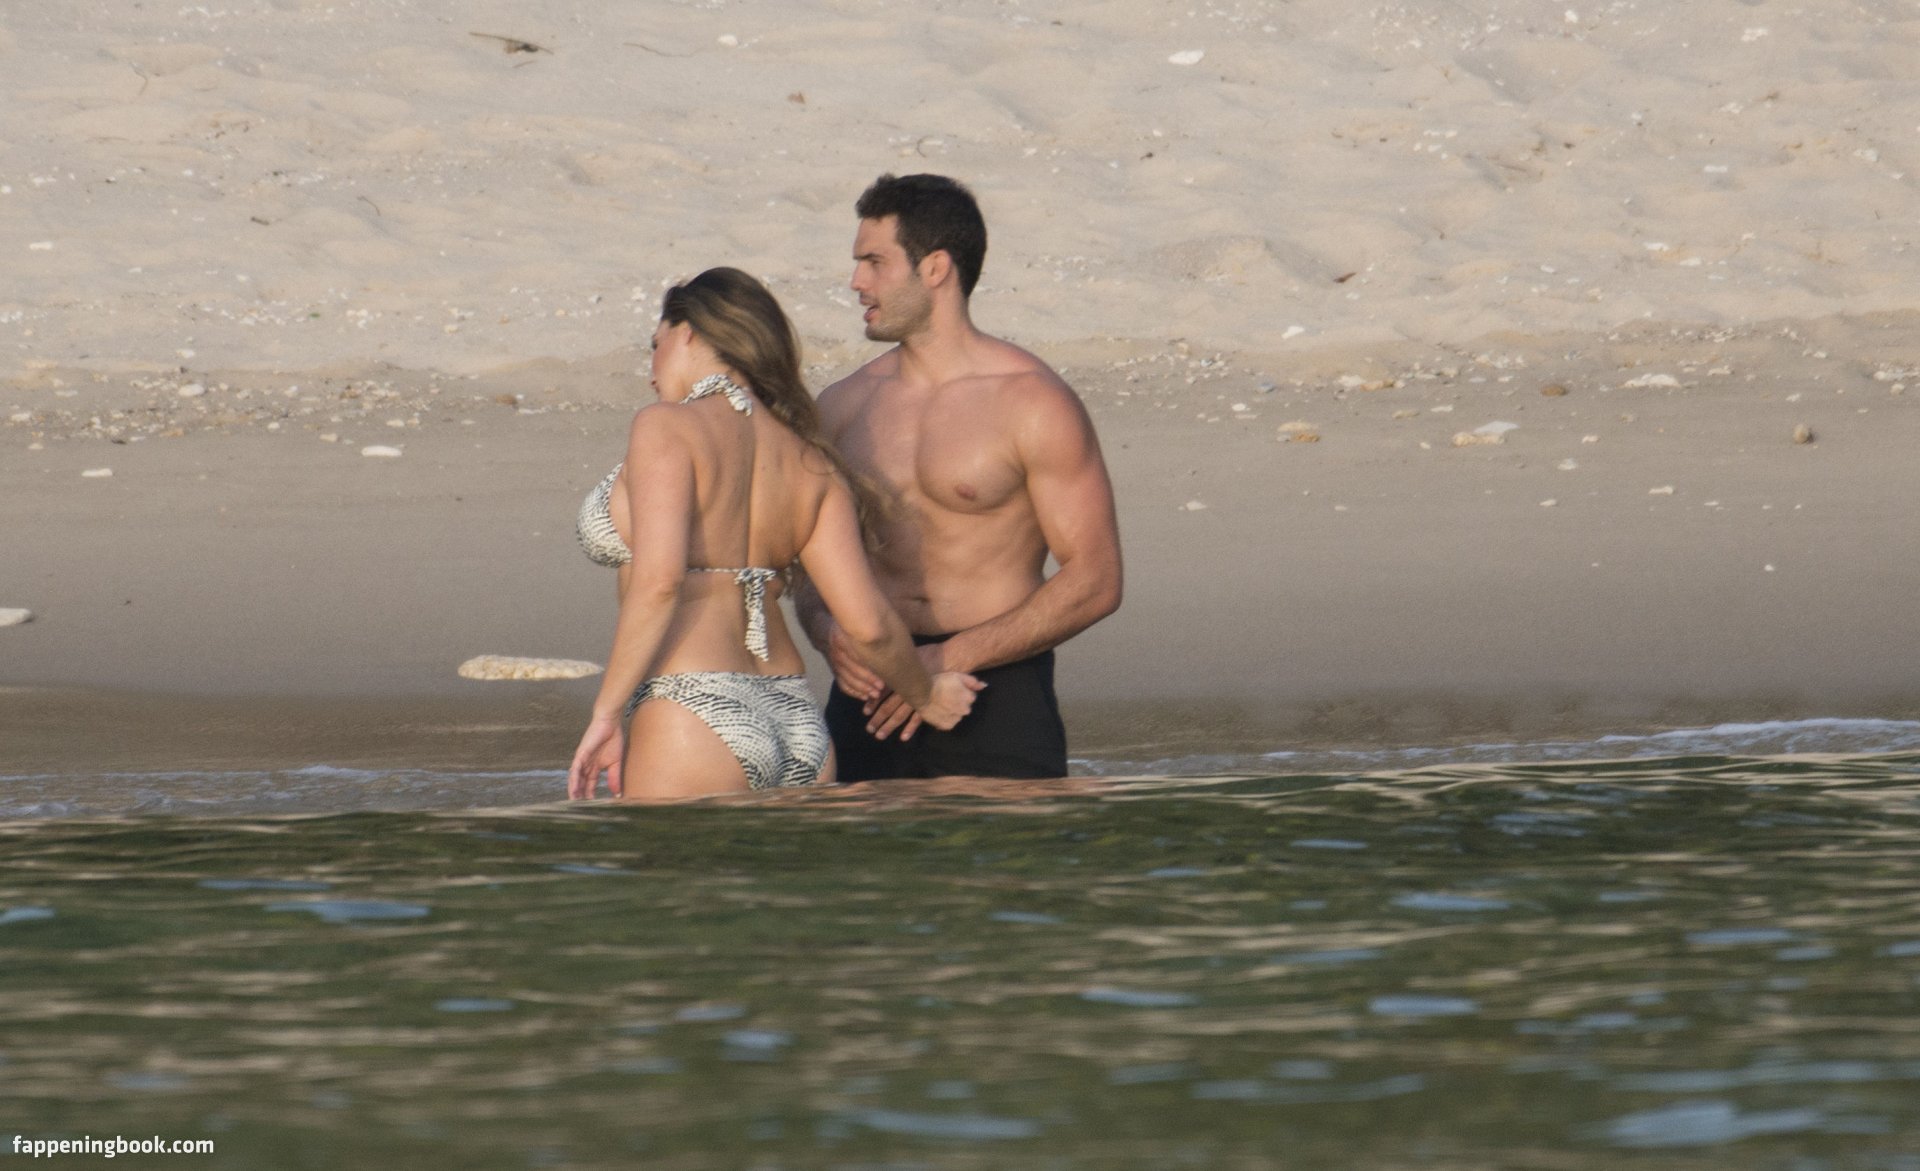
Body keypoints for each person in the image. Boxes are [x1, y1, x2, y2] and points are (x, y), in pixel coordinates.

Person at [567, 267, 983, 801]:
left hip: (693, 707)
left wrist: (606, 715)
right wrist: (925, 695)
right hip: (796, 720)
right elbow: (869, 625)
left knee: (663, 859)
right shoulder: (810, 460)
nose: (651, 371)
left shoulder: (665, 426)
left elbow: (660, 582)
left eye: (655, 344)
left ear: (689, 332)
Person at [793, 174, 1123, 781]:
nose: (856, 282)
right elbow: (806, 560)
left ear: (936, 268)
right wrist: (827, 631)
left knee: (1006, 846)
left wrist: (944, 659)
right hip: (870, 692)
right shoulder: (843, 406)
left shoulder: (1031, 402)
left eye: (874, 262)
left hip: (993, 689)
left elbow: (1096, 580)